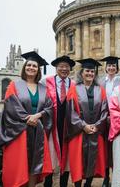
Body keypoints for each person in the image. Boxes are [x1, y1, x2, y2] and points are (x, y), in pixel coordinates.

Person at [0, 51, 53, 187]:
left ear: (38, 69)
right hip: (19, 132)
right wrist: (28, 119)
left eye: (34, 66)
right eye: (29, 65)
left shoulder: (44, 88)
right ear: (24, 67)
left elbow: (49, 107)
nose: (31, 68)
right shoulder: (14, 86)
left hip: (37, 131)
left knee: (35, 164)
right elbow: (11, 107)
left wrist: (37, 116)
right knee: (19, 165)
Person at [66, 58, 108, 187]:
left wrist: (96, 126)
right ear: (81, 73)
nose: (90, 73)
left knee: (93, 161)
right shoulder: (74, 89)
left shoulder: (100, 89)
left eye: (92, 71)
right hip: (79, 131)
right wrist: (83, 126)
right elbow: (71, 112)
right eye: (87, 71)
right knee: (77, 160)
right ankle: (78, 184)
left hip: (96, 131)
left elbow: (105, 110)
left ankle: (88, 184)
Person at [42, 55, 76, 187]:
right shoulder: (46, 83)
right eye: (61, 66)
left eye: (67, 66)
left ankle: (63, 184)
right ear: (56, 68)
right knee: (51, 156)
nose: (64, 69)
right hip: (52, 126)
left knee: (66, 157)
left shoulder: (73, 84)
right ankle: (48, 183)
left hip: (68, 127)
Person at [99, 56, 120, 187]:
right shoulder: (102, 82)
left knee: (116, 147)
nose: (111, 68)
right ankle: (105, 177)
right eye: (109, 66)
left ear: (117, 68)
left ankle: (116, 177)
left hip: (116, 118)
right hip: (103, 118)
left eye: (114, 66)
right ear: (106, 67)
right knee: (104, 147)